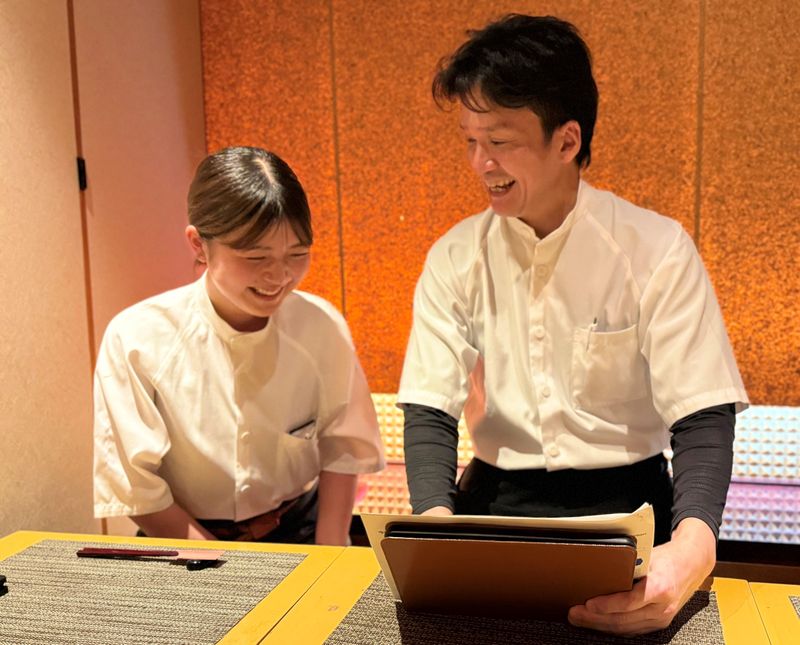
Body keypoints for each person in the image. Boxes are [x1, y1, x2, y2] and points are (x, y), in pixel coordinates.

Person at [399, 15, 748, 635]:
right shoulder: (454, 256)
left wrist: (694, 545)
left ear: (566, 141)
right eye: (470, 141)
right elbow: (429, 408)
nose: (480, 163)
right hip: (494, 508)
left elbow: (702, 414)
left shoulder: (655, 249)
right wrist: (434, 529)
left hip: (629, 512)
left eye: (499, 140)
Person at [94, 146, 384, 545]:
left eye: (297, 254)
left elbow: (342, 445)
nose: (279, 276)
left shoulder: (321, 326)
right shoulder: (137, 339)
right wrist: (222, 565)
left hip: (298, 527)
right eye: (255, 257)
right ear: (198, 244)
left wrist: (331, 547)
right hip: (181, 539)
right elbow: (136, 486)